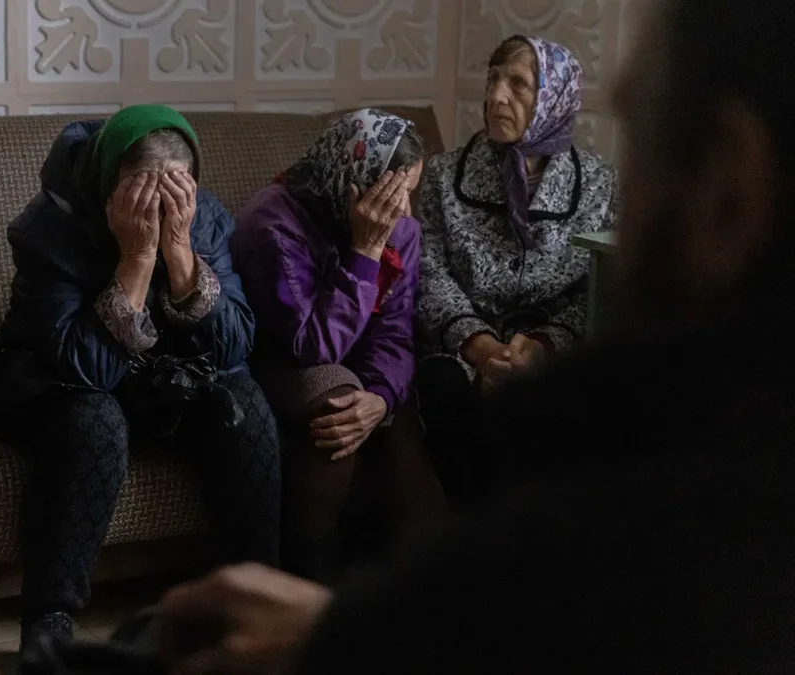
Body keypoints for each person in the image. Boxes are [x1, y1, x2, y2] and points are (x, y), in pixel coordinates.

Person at [151, 3, 795, 672]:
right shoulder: (317, 213)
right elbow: (393, 308)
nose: (497, 97)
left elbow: (404, 326)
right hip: (427, 354)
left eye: (640, 129)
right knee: (404, 391)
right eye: (493, 79)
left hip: (487, 381)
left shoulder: (625, 534)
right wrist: (471, 341)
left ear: (728, 186)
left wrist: (401, 387)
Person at [0, 105, 281, 645]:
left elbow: (234, 348)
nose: (158, 211)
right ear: (108, 182)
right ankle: (48, 622)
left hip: (159, 379)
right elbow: (86, 370)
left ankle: (251, 605)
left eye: (174, 194)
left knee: (242, 403)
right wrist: (137, 259)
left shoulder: (204, 217)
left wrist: (181, 252)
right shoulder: (49, 227)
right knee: (94, 419)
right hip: (52, 384)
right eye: (140, 194)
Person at [231, 110, 445, 580]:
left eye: (408, 193)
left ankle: (429, 590)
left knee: (393, 412)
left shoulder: (400, 228)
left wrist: (380, 397)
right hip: (275, 365)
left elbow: (394, 332)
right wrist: (365, 253)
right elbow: (313, 345)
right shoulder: (272, 224)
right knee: (338, 397)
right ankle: (304, 580)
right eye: (392, 195)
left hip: (351, 364)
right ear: (353, 183)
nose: (403, 211)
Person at [415, 36, 618, 500]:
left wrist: (542, 348)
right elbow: (428, 275)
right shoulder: (444, 176)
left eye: (517, 84)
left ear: (554, 99)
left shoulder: (600, 186)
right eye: (492, 80)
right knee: (441, 385)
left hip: (551, 353)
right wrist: (483, 348)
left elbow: (599, 286)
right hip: (463, 351)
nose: (495, 97)